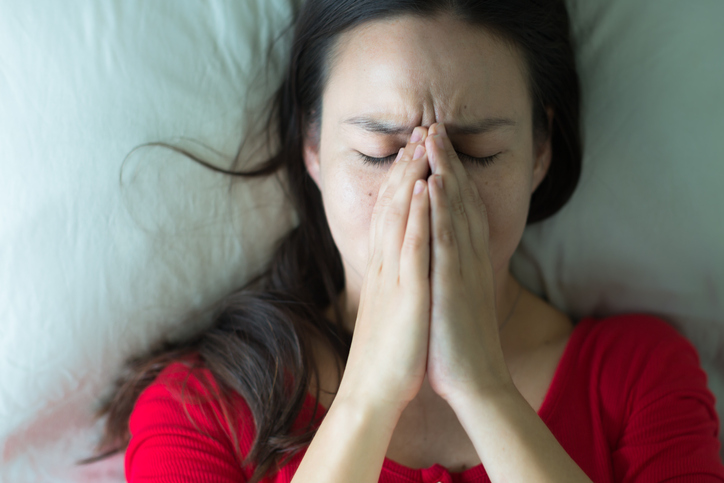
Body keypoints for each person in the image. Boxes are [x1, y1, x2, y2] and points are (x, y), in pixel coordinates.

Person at [87, 0, 724, 481]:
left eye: (476, 153)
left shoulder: (640, 377)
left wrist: (485, 392)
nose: (425, 190)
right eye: (377, 152)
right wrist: (368, 395)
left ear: (539, 150)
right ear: (313, 146)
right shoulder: (202, 406)